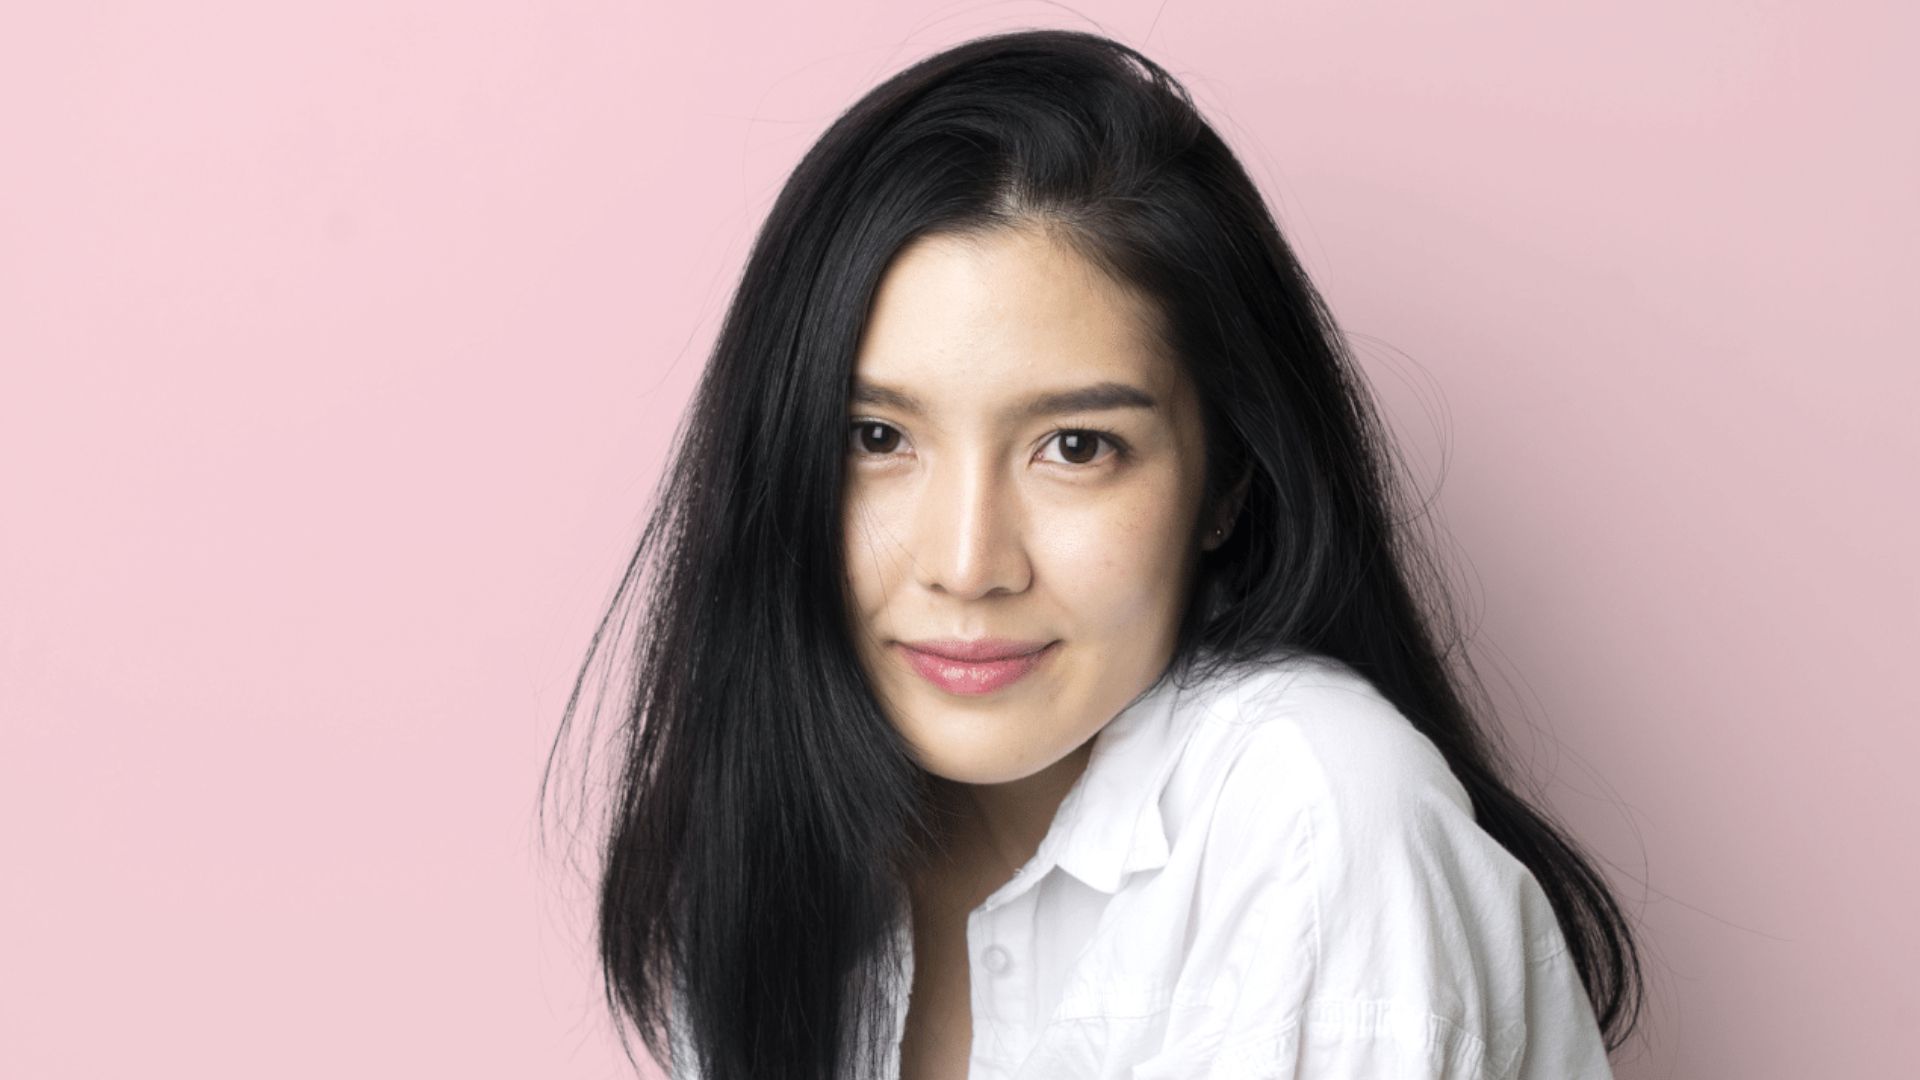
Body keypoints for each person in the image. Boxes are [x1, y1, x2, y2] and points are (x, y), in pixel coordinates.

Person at [542, 27, 1644, 1080]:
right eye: (876, 439)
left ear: (1227, 481)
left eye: (1075, 446)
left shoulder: (1312, 817)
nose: (968, 562)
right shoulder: (774, 827)